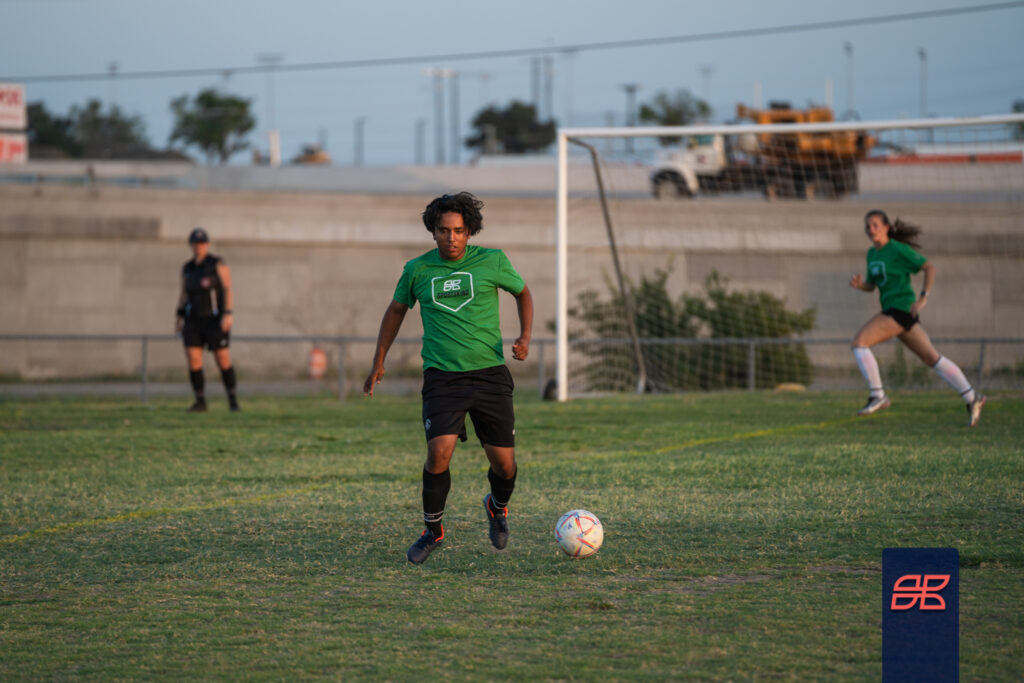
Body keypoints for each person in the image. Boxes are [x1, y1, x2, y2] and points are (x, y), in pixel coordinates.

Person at [363, 192, 533, 564]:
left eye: (458, 231)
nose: (451, 238)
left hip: (489, 375)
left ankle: (496, 506)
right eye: (443, 230)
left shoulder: (493, 261)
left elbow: (523, 294)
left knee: (504, 465)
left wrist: (524, 337)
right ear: (433, 231)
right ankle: (433, 531)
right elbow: (395, 311)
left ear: (469, 231)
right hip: (443, 378)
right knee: (438, 453)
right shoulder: (417, 270)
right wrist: (378, 361)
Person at [849, 210, 984, 426]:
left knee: (859, 343)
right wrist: (861, 285)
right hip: (895, 311)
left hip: (900, 309)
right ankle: (971, 397)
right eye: (867, 226)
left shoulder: (897, 249)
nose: (870, 229)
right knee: (932, 358)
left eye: (875, 225)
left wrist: (923, 298)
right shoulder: (872, 254)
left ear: (886, 228)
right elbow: (873, 285)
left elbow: (929, 268)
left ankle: (877, 395)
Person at [175, 227, 240, 413]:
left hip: (214, 319)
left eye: (202, 243)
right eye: (195, 243)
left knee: (222, 359)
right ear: (191, 245)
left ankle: (233, 401)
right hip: (193, 320)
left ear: (207, 244)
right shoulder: (187, 268)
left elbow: (227, 288)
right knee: (194, 360)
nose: (199, 246)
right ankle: (200, 401)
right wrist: (179, 317)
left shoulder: (216, 264)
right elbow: (184, 294)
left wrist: (227, 313)